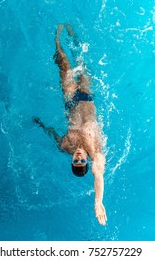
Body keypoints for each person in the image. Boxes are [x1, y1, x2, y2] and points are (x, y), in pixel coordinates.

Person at [33, 24, 107, 226]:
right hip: (87, 97)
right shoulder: (96, 152)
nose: (79, 158)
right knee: (82, 64)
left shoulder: (67, 145)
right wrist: (98, 201)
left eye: (75, 161)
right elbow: (98, 174)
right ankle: (74, 36)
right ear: (87, 162)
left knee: (64, 66)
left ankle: (57, 37)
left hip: (71, 100)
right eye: (82, 162)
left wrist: (41, 125)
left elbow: (54, 136)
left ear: (72, 160)